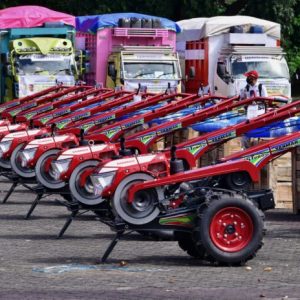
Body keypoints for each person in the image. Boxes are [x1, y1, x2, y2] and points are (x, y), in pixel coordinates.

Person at [240, 70, 268, 149]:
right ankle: (246, 150)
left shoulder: (261, 87)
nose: (247, 78)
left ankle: (255, 150)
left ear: (253, 78)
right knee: (245, 135)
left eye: (248, 77)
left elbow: (266, 100)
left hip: (259, 112)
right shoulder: (247, 87)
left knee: (256, 134)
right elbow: (242, 98)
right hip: (250, 112)